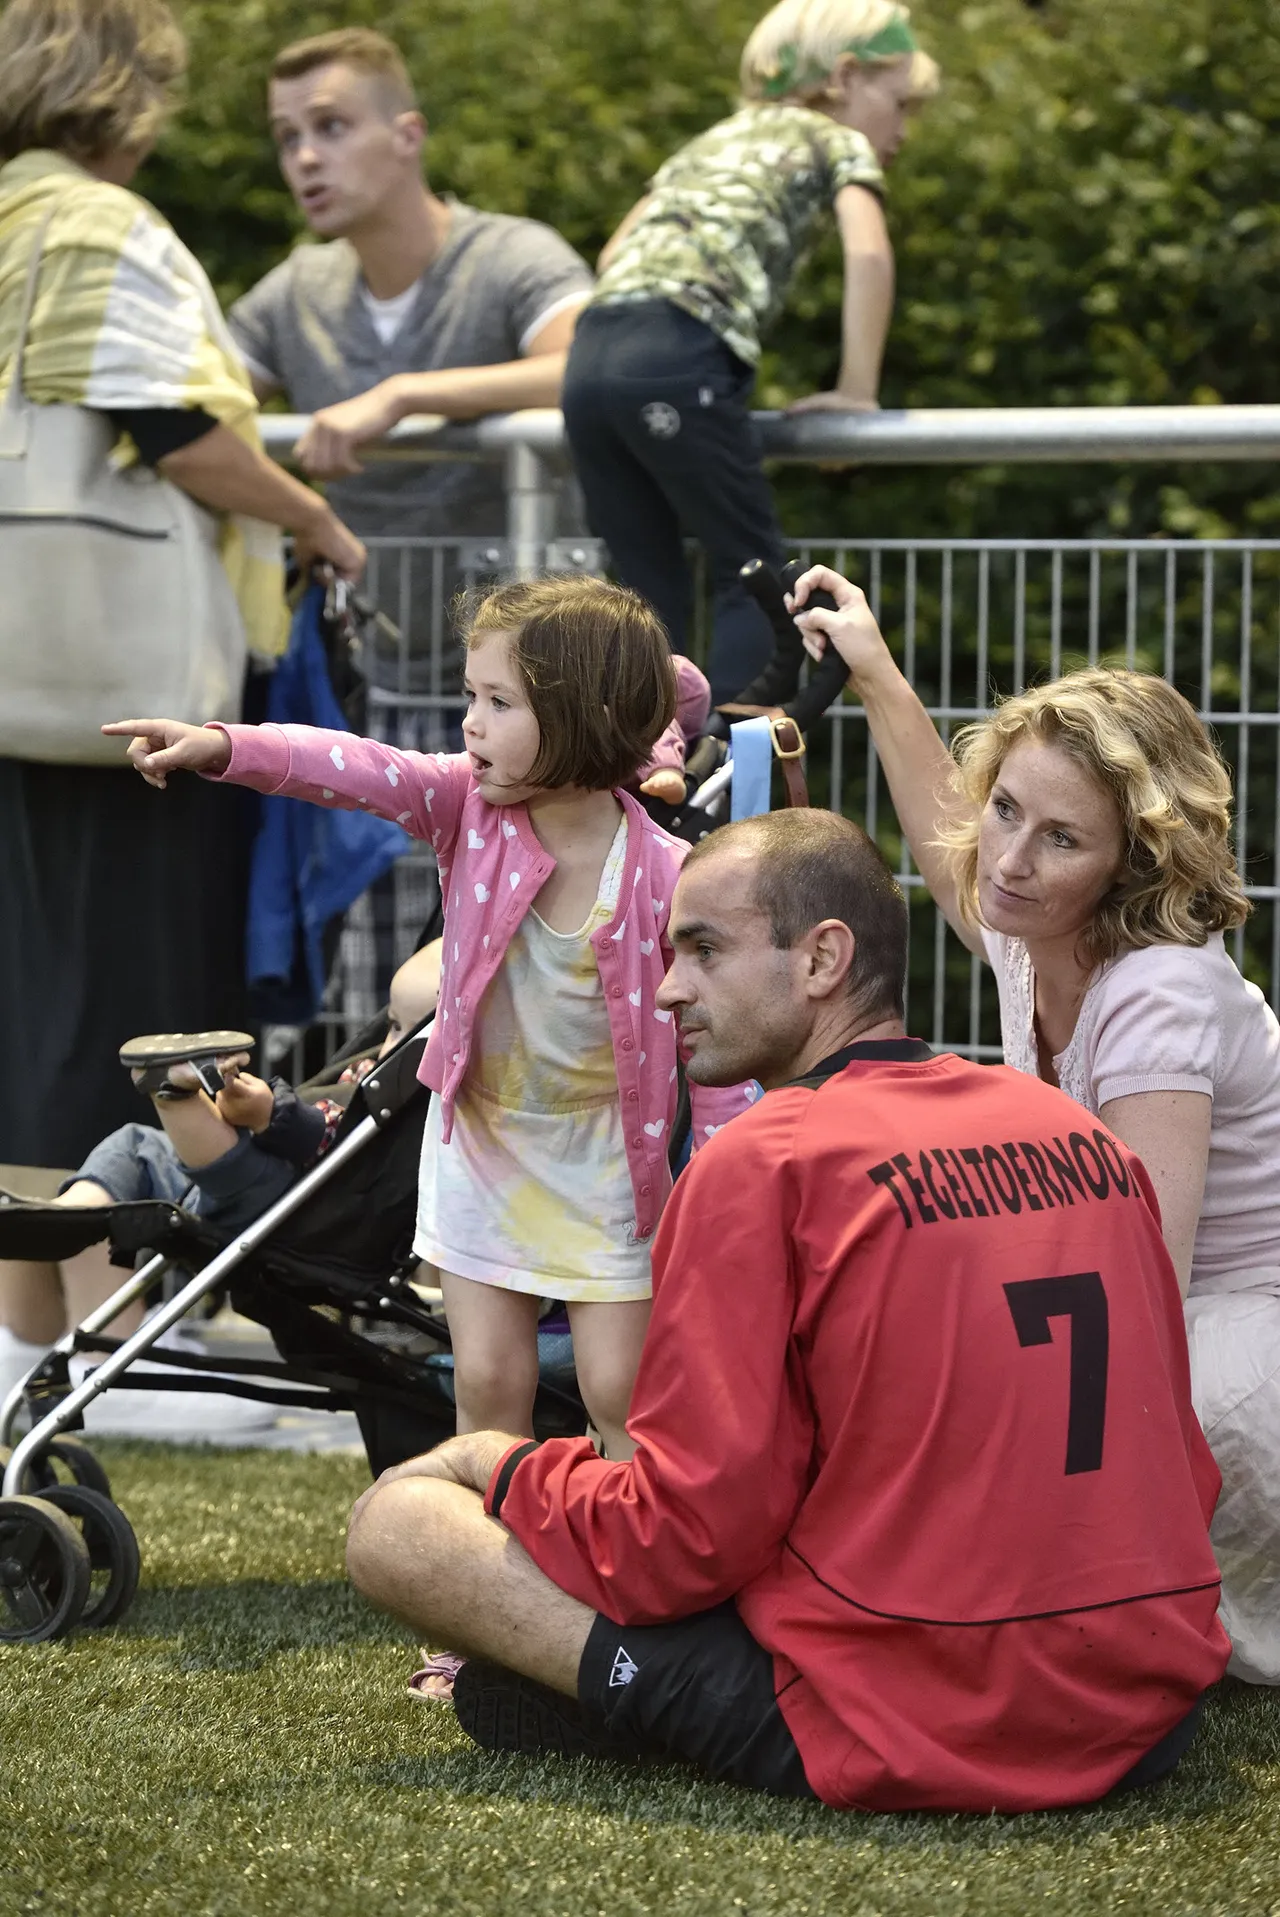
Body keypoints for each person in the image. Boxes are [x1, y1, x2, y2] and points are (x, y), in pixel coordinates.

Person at [339, 809, 1228, 1812]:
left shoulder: (764, 1161)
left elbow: (678, 1549)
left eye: (701, 950)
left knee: (399, 1526)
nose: (666, 987)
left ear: (821, 960)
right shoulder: (1078, 1134)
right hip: (1148, 1706)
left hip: (919, 1716)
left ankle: (625, 1702)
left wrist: (496, 1466)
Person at [104, 577, 756, 1463]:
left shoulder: (668, 870)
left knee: (621, 1389)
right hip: (482, 1147)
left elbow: (713, 1038)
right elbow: (353, 766)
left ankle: (622, 1557)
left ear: (582, 717)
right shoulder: (466, 807)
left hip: (609, 1163)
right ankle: (483, 1563)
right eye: (469, 698)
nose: (470, 724)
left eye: (497, 701)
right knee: (488, 1383)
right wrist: (222, 746)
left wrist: (723, 1167)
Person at [788, 560, 1280, 1687]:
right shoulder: (1035, 922)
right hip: (1159, 1310)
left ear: (1130, 862)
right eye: (1007, 807)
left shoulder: (1154, 992)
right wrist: (872, 671)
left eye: (1059, 838)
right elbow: (943, 837)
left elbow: (1136, 1274)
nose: (1007, 858)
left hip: (1232, 1332)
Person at [0, 0, 365, 1176]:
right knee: (141, 1011)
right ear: (119, 87)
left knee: (27, 1007)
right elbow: (166, 425)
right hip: (122, 685)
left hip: (17, 680)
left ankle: (27, 1343)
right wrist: (310, 516)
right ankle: (132, 1323)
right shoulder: (95, 224)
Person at [560, 0, 937, 702]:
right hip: (678, 349)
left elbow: (615, 251)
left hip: (589, 359)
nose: (904, 129)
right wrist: (857, 389)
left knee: (641, 596)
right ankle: (722, 788)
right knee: (759, 583)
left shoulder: (710, 142)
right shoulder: (832, 139)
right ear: (846, 78)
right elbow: (868, 250)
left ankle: (632, 784)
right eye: (901, 102)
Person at [228, 27, 594, 690]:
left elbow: (588, 371)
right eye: (287, 137)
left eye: (331, 126)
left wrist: (405, 394)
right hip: (366, 680)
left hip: (540, 685)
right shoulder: (295, 289)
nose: (306, 157)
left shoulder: (513, 255)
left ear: (407, 135)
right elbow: (197, 407)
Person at [0, 945, 442, 1430]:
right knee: (135, 1146)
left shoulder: (422, 1113)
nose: (382, 1045)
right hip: (255, 1189)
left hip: (297, 1212)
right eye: (390, 1023)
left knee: (207, 1155)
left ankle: (175, 1088)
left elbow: (329, 1146)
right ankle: (76, 1210)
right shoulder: (377, 1085)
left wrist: (270, 1113)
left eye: (398, 1029)